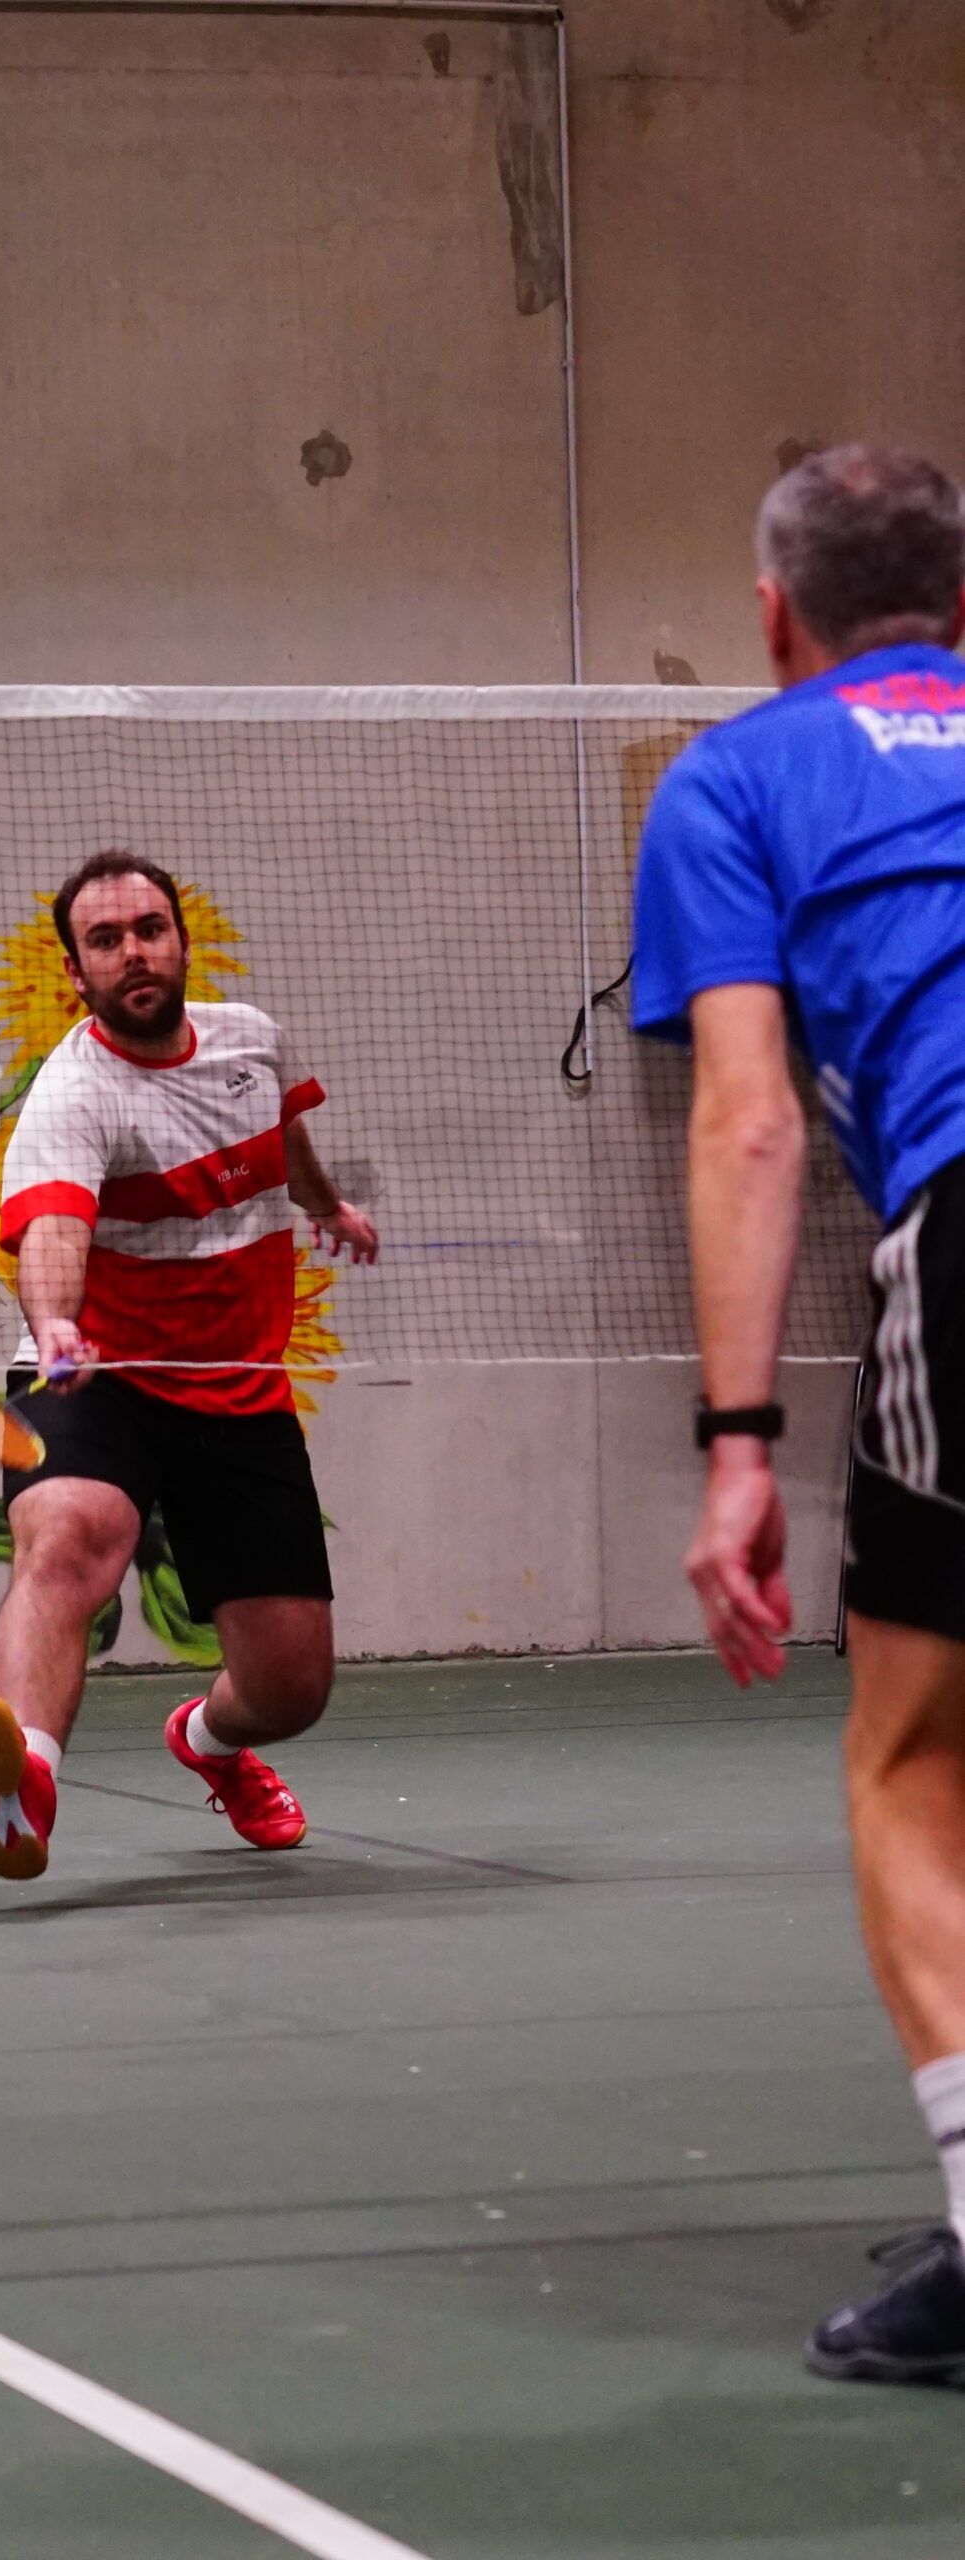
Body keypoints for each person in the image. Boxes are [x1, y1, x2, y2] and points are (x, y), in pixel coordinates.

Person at [632, 444, 965, 2383]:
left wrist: (735, 1445)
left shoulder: (735, 777)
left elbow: (750, 1122)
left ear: (773, 616)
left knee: (909, 1749)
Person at [0, 850, 377, 1881]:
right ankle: (23, 1783)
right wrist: (54, 1324)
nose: (132, 952)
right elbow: (52, 1232)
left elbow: (282, 1132)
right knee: (68, 1537)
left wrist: (324, 1205)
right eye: (105, 940)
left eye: (148, 929)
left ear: (181, 942)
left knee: (289, 1690)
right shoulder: (73, 1094)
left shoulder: (251, 1041)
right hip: (99, 1372)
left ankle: (209, 1740)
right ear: (75, 971)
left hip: (236, 1387)